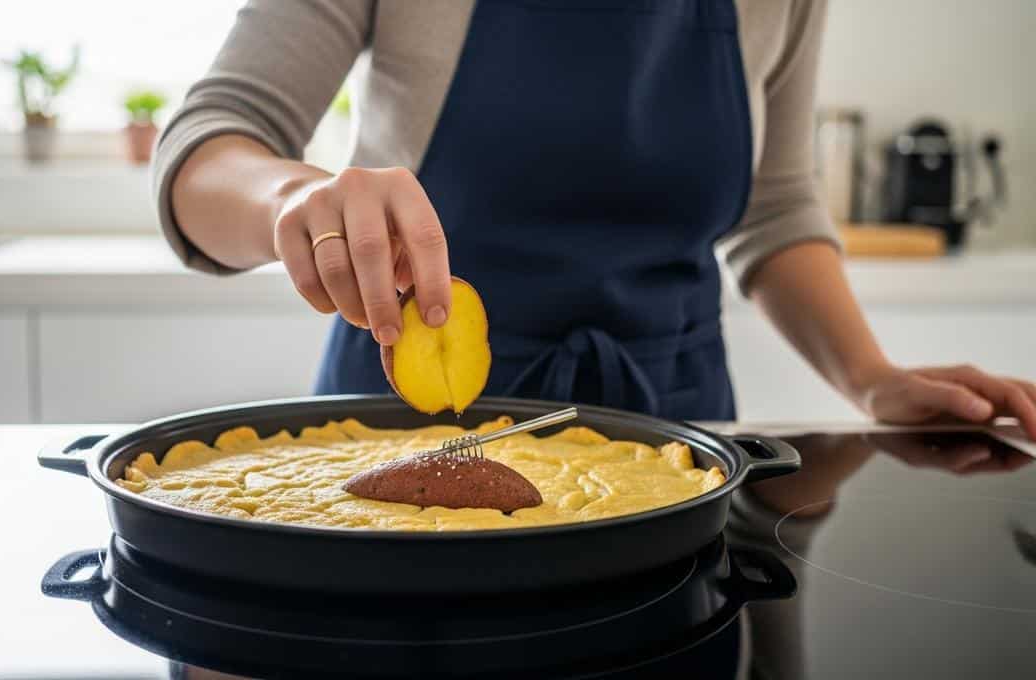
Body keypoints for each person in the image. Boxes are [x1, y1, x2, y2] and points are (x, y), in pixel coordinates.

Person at [153, 0, 1036, 437]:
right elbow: (208, 144)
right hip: (406, 428)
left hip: (677, 440)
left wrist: (871, 378)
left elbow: (775, 204)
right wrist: (292, 199)